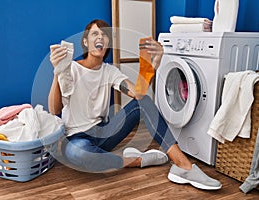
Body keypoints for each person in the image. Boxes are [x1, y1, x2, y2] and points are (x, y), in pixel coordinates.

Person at [48, 19, 222, 190]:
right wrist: (57, 72)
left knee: (143, 102)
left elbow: (138, 94)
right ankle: (136, 160)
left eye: (105, 35)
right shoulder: (70, 69)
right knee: (77, 154)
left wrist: (152, 66)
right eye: (95, 33)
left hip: (104, 133)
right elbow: (54, 110)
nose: (100, 37)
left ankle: (183, 166)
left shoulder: (109, 71)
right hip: (77, 138)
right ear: (85, 41)